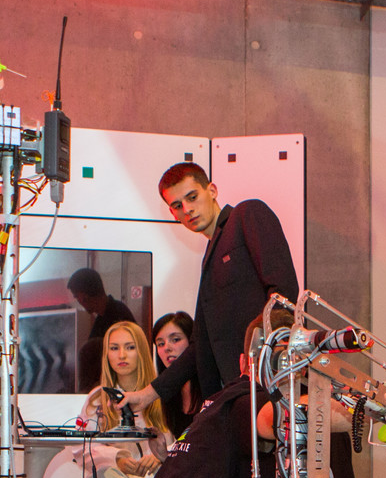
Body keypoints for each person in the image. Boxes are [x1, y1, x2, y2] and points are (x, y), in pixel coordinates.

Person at [117, 313, 363, 478]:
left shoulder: (223, 404)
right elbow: (283, 416)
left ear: (242, 361)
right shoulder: (248, 401)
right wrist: (367, 411)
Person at [118, 163, 298, 423]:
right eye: (177, 205)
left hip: (267, 383)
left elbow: (283, 294)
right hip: (233, 395)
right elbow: (200, 344)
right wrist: (148, 394)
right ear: (172, 213)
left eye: (192, 197)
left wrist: (261, 355)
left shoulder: (247, 214)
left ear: (212, 190)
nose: (187, 209)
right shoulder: (209, 255)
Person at [76, 322, 173, 478]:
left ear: (141, 351)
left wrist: (160, 458)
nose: (121, 355)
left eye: (129, 347)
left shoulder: (162, 396)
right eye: (114, 348)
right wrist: (116, 458)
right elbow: (82, 447)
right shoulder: (97, 400)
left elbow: (184, 440)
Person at [69, 267, 136, 394]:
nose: (79, 302)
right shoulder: (102, 318)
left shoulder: (119, 315)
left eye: (77, 297)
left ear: (84, 297)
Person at [151, 310, 197, 436]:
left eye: (175, 339)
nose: (167, 348)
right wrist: (163, 449)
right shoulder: (167, 394)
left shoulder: (210, 386)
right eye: (161, 344)